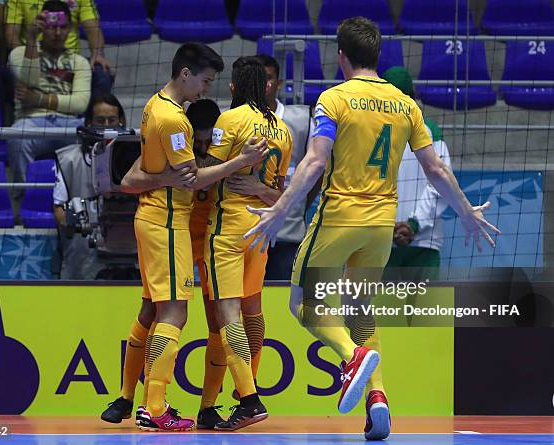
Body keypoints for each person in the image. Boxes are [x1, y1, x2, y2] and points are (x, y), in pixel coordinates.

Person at [244, 17, 500, 441]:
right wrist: (468, 211)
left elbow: (314, 163)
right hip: (382, 225)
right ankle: (377, 399)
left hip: (339, 217)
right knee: (362, 311)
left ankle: (349, 357)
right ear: (377, 56)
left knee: (302, 306)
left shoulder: (333, 99)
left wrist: (279, 210)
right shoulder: (405, 104)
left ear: (340, 55)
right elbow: (435, 169)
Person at [117, 43, 267, 432]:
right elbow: (194, 178)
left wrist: (161, 177)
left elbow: (142, 170)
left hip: (168, 223)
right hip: (167, 222)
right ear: (185, 73)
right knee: (173, 313)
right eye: (204, 80)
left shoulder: (154, 106)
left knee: (173, 313)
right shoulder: (175, 122)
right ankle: (152, 405)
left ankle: (157, 403)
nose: (205, 88)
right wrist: (242, 161)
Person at [99, 99, 218, 426]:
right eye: (200, 140)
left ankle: (206, 406)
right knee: (165, 313)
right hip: (171, 233)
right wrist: (167, 177)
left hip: (207, 244)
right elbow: (128, 182)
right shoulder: (173, 151)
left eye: (210, 141)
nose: (205, 147)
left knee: (204, 318)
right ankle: (139, 402)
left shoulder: (221, 155)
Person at [191, 56, 292, 431]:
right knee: (253, 309)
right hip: (262, 230)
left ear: (233, 87)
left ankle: (249, 400)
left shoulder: (228, 121)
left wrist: (236, 168)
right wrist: (256, 187)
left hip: (229, 228)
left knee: (227, 315)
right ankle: (238, 388)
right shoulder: (282, 130)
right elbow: (279, 195)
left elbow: (203, 176)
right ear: (267, 87)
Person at [7, 0, 91, 193]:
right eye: (52, 27)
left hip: (69, 123)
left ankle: (82, 200)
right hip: (31, 122)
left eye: (62, 27)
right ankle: (24, 197)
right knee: (16, 137)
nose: (57, 33)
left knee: (93, 140)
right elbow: (31, 79)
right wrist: (30, 40)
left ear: (70, 28)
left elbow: (80, 104)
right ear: (43, 27)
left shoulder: (79, 62)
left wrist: (38, 99)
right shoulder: (19, 53)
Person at [381, 66, 451, 282]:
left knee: (378, 314)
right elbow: (440, 186)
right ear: (412, 95)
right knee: (425, 314)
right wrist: (413, 225)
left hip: (385, 240)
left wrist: (387, 224)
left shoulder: (368, 131)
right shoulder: (429, 130)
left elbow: (363, 185)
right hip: (421, 241)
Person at [254, 53, 320, 281]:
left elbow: (316, 174)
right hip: (247, 230)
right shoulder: (235, 120)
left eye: (269, 78)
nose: (264, 84)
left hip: (288, 233)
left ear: (279, 83)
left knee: (283, 301)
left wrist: (298, 206)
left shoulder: (302, 120)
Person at [53, 92, 124, 280]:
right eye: (100, 121)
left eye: (112, 120)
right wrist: (72, 223)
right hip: (82, 257)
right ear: (89, 123)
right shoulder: (69, 160)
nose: (107, 127)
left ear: (121, 121)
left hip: (126, 256)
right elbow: (58, 208)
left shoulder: (134, 156)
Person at [5, 0, 114, 94]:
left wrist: (98, 53)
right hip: (33, 60)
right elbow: (12, 34)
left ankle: (90, 116)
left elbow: (93, 27)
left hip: (71, 62)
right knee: (11, 74)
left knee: (102, 73)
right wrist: (19, 57)